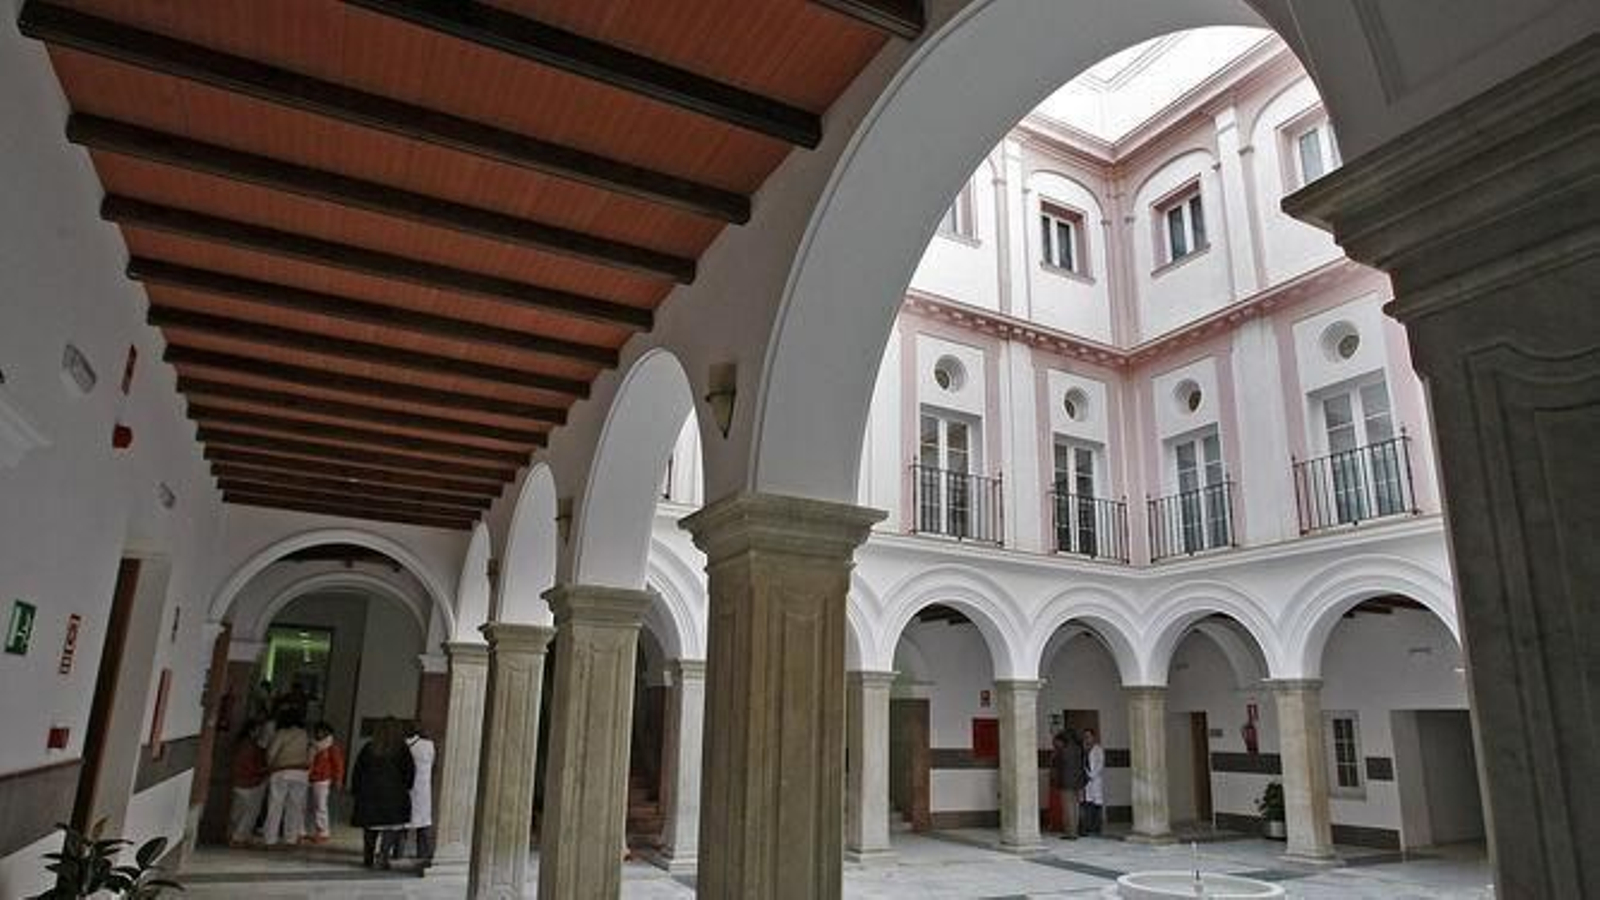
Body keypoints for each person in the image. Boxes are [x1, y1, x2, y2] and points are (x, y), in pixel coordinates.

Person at [352, 718, 415, 870]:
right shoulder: (402, 749)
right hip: (393, 795)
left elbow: (358, 772)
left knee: (370, 828)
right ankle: (383, 857)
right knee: (390, 828)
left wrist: (357, 791)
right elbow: (409, 772)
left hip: (369, 795)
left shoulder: (369, 747)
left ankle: (368, 858)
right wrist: (406, 787)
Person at [262, 708, 313, 848]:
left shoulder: (281, 733)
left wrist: (269, 765)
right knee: (295, 807)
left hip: (281, 772)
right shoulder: (304, 734)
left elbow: (271, 753)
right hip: (300, 774)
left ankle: (270, 840)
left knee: (275, 806)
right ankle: (290, 839)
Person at [227, 720, 269, 848]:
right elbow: (250, 766)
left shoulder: (240, 743)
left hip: (238, 781)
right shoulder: (250, 745)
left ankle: (234, 836)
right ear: (252, 730)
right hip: (250, 782)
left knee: (238, 811)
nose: (260, 733)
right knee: (250, 812)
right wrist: (264, 771)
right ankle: (239, 838)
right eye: (258, 730)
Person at [306, 721, 346, 844]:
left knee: (320, 806)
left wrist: (338, 780)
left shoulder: (331, 747)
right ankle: (316, 830)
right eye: (317, 730)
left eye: (322, 731)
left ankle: (323, 831)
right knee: (312, 806)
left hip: (323, 779)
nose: (319, 733)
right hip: (310, 778)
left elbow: (338, 765)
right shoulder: (312, 745)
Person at [404, 720, 437, 869]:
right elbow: (434, 764)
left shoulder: (404, 745)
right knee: (423, 824)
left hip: (406, 787)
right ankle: (423, 853)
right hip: (424, 787)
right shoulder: (429, 745)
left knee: (402, 822)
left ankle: (397, 851)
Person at [1053, 729, 1086, 840]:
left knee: (1068, 808)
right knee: (1075, 807)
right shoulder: (1078, 748)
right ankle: (1074, 831)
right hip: (1078, 782)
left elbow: (1058, 766)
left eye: (1057, 741)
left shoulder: (1064, 750)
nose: (1056, 744)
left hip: (1067, 782)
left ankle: (1070, 833)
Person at [1081, 727, 1106, 836]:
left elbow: (1100, 765)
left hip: (1094, 780)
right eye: (1085, 736)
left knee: (1096, 805)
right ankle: (1088, 827)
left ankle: (1097, 828)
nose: (1087, 738)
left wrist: (1092, 775)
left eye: (1089, 736)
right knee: (1087, 804)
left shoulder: (1098, 749)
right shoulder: (1083, 749)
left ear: (1093, 737)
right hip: (1086, 780)